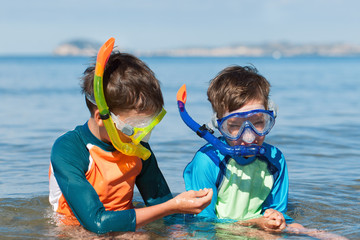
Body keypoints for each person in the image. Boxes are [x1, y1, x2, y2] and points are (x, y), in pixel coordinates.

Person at [49, 38, 212, 234]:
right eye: (135, 125)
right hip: (76, 228)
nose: (142, 134)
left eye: (149, 124)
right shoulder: (68, 149)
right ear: (102, 117)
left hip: (123, 224)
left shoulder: (138, 148)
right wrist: (171, 206)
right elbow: (96, 223)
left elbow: (164, 207)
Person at [181, 65, 303, 232]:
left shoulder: (275, 159)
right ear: (219, 126)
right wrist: (253, 225)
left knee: (301, 229)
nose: (249, 136)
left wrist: (277, 220)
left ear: (270, 117)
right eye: (235, 125)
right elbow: (202, 225)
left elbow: (276, 211)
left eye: (258, 122)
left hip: (255, 229)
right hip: (218, 232)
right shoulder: (208, 161)